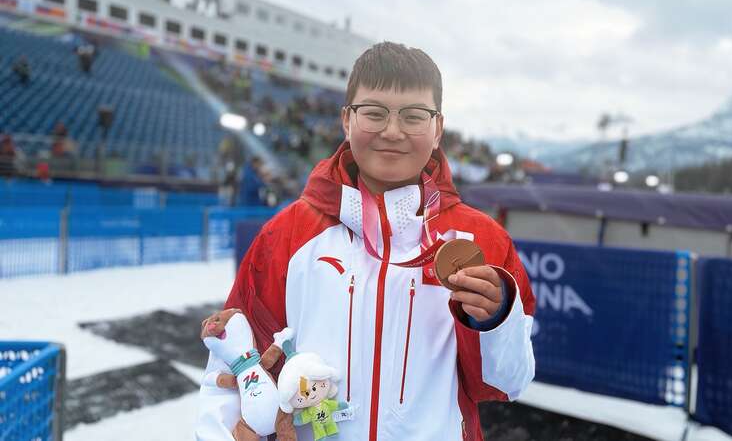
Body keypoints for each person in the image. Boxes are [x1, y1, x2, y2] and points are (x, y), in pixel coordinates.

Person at [195, 42, 536, 441]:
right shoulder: (287, 234)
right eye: (374, 113)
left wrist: (495, 321)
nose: (392, 131)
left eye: (413, 116)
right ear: (347, 120)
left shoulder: (483, 241)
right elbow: (232, 364)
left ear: (438, 129)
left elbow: (507, 383)